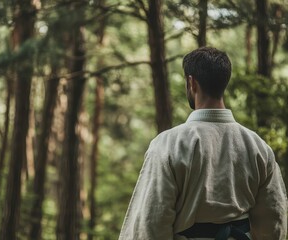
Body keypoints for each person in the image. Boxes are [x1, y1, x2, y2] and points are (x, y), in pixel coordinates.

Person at [118, 47, 287, 240]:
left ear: (192, 83)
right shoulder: (257, 146)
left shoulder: (168, 144)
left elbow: (151, 223)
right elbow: (274, 220)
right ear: (224, 82)